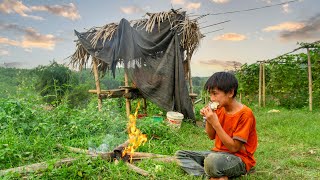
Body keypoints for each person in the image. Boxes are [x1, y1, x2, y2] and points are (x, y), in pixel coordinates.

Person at [175, 72, 258, 180]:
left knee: (211, 161)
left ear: (231, 92)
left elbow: (234, 148)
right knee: (181, 154)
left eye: (215, 94)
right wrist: (209, 119)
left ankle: (214, 173)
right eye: (210, 94)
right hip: (217, 154)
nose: (212, 98)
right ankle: (212, 177)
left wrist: (216, 123)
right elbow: (211, 136)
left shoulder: (245, 114)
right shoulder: (219, 109)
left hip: (239, 158)